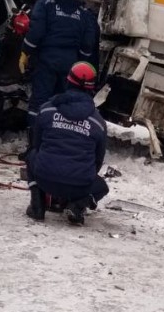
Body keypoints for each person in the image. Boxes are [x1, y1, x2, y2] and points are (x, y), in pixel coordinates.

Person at [25, 61, 109, 225]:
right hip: (79, 185)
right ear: (92, 88)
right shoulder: (98, 122)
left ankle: (37, 205)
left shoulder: (47, 109)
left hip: (44, 178)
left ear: (68, 81)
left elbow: (37, 144)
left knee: (32, 155)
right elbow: (98, 160)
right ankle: (77, 205)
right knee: (101, 186)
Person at [19, 0, 96, 126]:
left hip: (47, 60)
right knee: (63, 103)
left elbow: (36, 31)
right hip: (70, 64)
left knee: (39, 102)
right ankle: (58, 137)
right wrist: (81, 61)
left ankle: (35, 143)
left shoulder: (46, 3)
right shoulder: (82, 11)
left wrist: (25, 52)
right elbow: (88, 42)